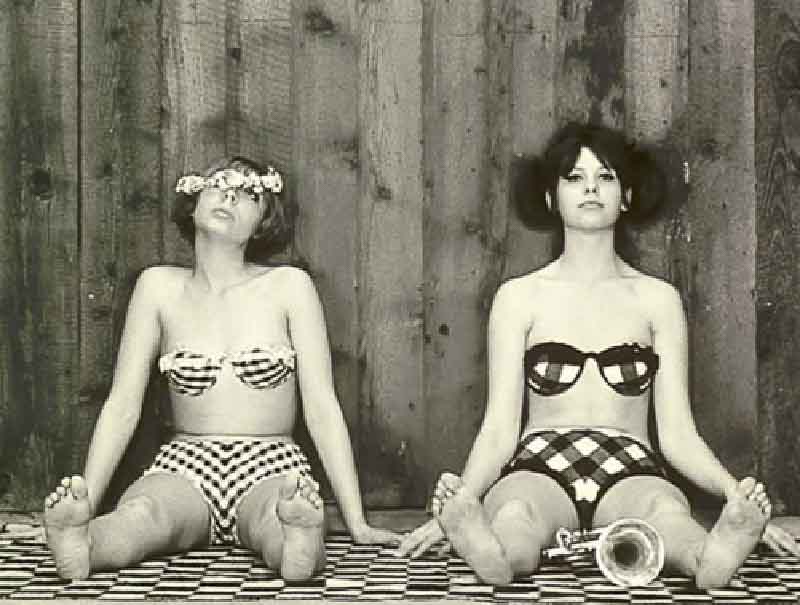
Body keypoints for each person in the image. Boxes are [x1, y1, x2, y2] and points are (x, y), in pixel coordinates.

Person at [397, 123, 799, 587]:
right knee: (516, 514)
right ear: (551, 198)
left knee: (665, 513)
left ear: (625, 197)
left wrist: (735, 497)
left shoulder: (657, 300)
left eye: (605, 176)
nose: (590, 188)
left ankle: (712, 557)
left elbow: (677, 433)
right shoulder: (520, 298)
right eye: (574, 177)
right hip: (539, 461)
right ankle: (490, 552)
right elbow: (500, 427)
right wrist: (463, 497)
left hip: (630, 462)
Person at [43, 156, 398, 581]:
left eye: (249, 194)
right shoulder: (158, 288)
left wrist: (357, 522)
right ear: (192, 201)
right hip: (184, 464)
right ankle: (82, 543)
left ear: (264, 222)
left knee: (276, 519)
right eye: (219, 185)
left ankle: (297, 547)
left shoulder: (288, 287)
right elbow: (122, 407)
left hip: (272, 463)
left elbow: (322, 407)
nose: (229, 196)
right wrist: (88, 499)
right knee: (143, 513)